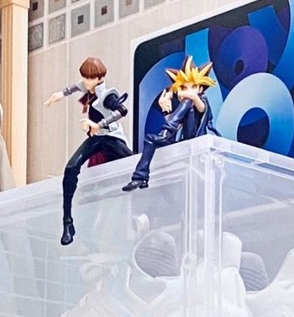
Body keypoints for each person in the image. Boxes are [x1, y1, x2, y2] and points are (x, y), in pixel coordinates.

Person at [46, 57, 132, 245]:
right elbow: (74, 88)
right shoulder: (88, 86)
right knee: (71, 168)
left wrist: (99, 124)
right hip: (96, 139)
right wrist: (60, 94)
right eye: (85, 77)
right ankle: (68, 223)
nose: (86, 81)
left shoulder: (107, 95)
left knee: (135, 167)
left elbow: (122, 111)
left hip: (112, 138)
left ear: (99, 78)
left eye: (90, 78)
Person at [122, 55, 217, 192]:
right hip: (183, 144)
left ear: (201, 89)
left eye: (194, 86)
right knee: (150, 139)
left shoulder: (201, 101)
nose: (188, 91)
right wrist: (165, 110)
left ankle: (166, 132)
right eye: (184, 87)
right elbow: (177, 125)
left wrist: (177, 93)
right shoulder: (183, 107)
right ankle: (140, 178)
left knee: (188, 102)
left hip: (197, 144)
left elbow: (199, 105)